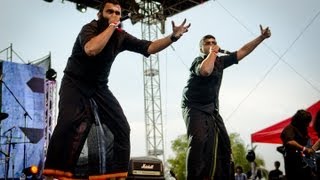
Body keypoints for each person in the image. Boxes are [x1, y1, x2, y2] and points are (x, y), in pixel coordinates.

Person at [42, 0, 191, 179]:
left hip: (99, 87)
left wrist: (172, 37)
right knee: (68, 123)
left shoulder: (121, 36)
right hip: (74, 82)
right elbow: (91, 49)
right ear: (100, 15)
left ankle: (115, 174)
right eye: (110, 12)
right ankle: (53, 174)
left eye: (118, 13)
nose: (114, 16)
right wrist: (111, 28)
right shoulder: (89, 29)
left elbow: (149, 47)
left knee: (121, 128)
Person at [181, 25, 271, 180]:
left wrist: (261, 38)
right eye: (207, 43)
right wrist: (213, 52)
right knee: (199, 141)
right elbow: (205, 71)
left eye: (213, 42)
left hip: (211, 109)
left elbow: (242, 51)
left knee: (223, 144)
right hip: (193, 106)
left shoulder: (221, 62)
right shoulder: (199, 61)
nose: (211, 44)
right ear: (202, 48)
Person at [280, 109, 315, 180]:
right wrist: (304, 149)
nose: (308, 125)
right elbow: (289, 142)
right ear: (300, 121)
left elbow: (308, 143)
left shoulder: (303, 130)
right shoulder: (289, 128)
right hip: (293, 166)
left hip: (305, 165)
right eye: (306, 122)